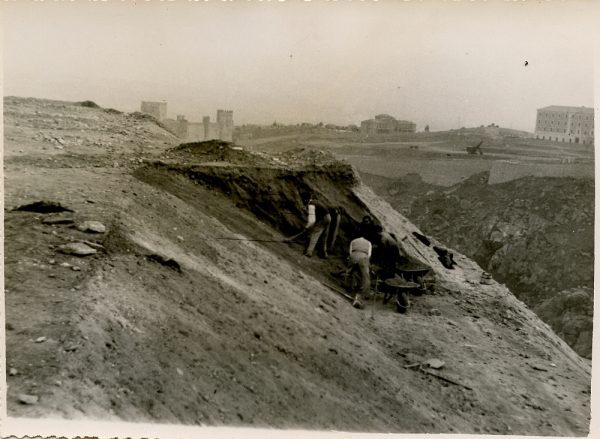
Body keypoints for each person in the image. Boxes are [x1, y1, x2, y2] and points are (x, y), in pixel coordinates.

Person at [347, 231, 372, 309]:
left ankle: (350, 288)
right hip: (363, 257)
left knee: (351, 272)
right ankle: (364, 295)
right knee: (366, 277)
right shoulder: (368, 243)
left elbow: (350, 252)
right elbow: (369, 255)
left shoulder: (353, 241)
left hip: (353, 256)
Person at [303, 194, 332, 258]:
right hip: (329, 217)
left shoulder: (311, 205)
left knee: (315, 234)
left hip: (324, 218)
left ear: (306, 200)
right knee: (324, 236)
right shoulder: (316, 202)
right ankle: (324, 253)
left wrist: (307, 227)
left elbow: (312, 220)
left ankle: (309, 252)